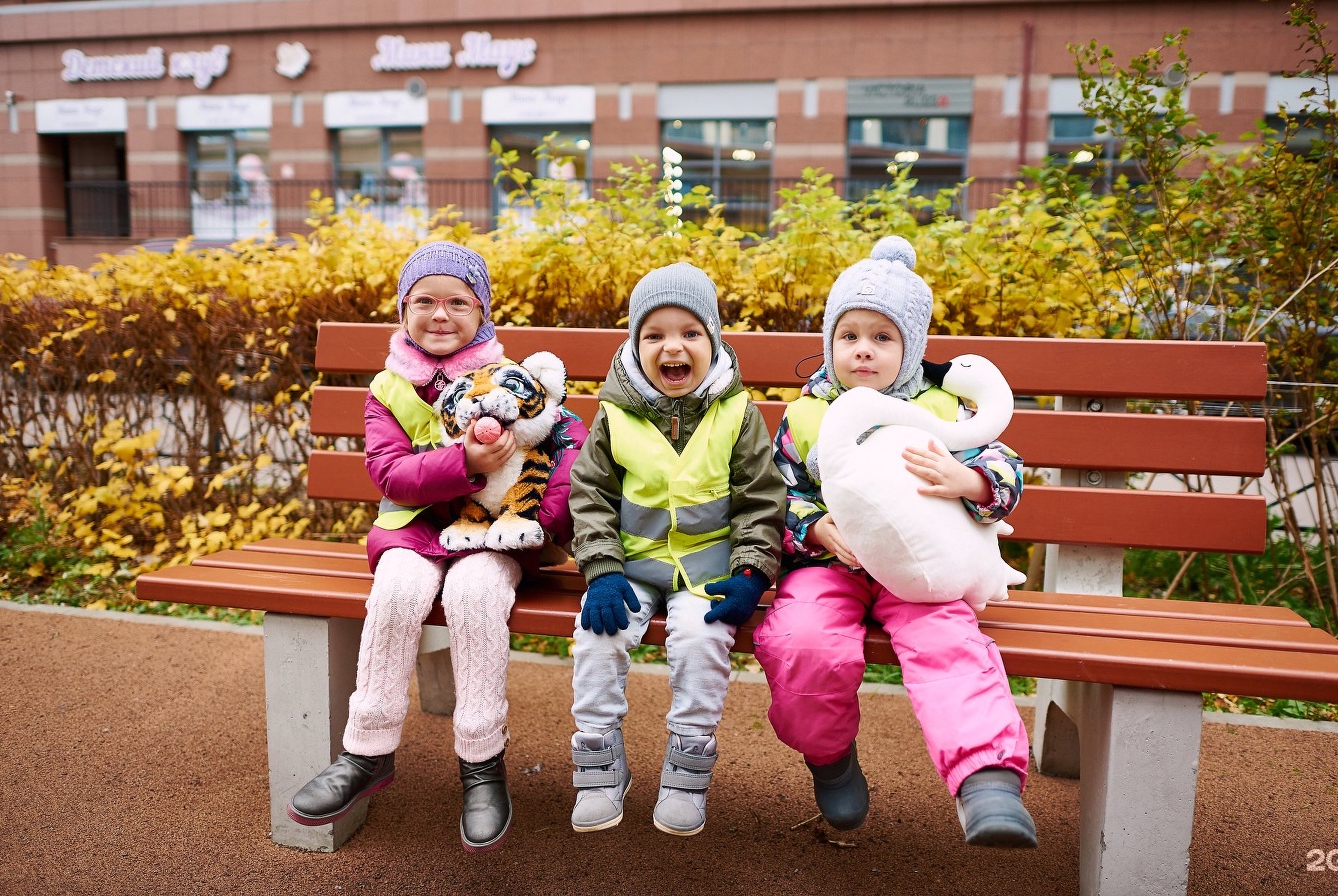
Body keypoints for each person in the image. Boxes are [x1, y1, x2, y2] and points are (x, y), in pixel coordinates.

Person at [286, 241, 586, 853]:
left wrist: (543, 517)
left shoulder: (512, 378)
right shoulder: (389, 389)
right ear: (403, 312)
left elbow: (567, 443)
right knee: (396, 592)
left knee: (476, 596)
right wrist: (465, 462)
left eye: (458, 301)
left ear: (482, 313)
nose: (440, 313)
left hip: (489, 535)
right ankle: (365, 751)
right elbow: (391, 474)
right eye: (424, 300)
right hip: (414, 531)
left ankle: (482, 762)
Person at [752, 236, 1038, 848]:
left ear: (912, 348)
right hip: (834, 565)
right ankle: (829, 758)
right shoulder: (807, 416)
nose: (864, 350)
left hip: (921, 572)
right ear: (829, 343)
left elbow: (1007, 470)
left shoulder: (946, 410)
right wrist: (810, 526)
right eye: (849, 335)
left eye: (883, 337)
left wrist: (970, 480)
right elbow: (778, 493)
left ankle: (986, 780)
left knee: (948, 643)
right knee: (802, 642)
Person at [565, 262, 785, 837]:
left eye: (690, 333)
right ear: (635, 346)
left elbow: (761, 500)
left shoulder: (737, 413)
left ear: (713, 340)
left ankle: (688, 767)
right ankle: (598, 762)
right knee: (598, 636)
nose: (673, 347)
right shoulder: (615, 413)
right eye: (654, 335)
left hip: (708, 567)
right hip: (631, 566)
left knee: (701, 637)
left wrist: (751, 572)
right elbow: (589, 494)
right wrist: (602, 571)